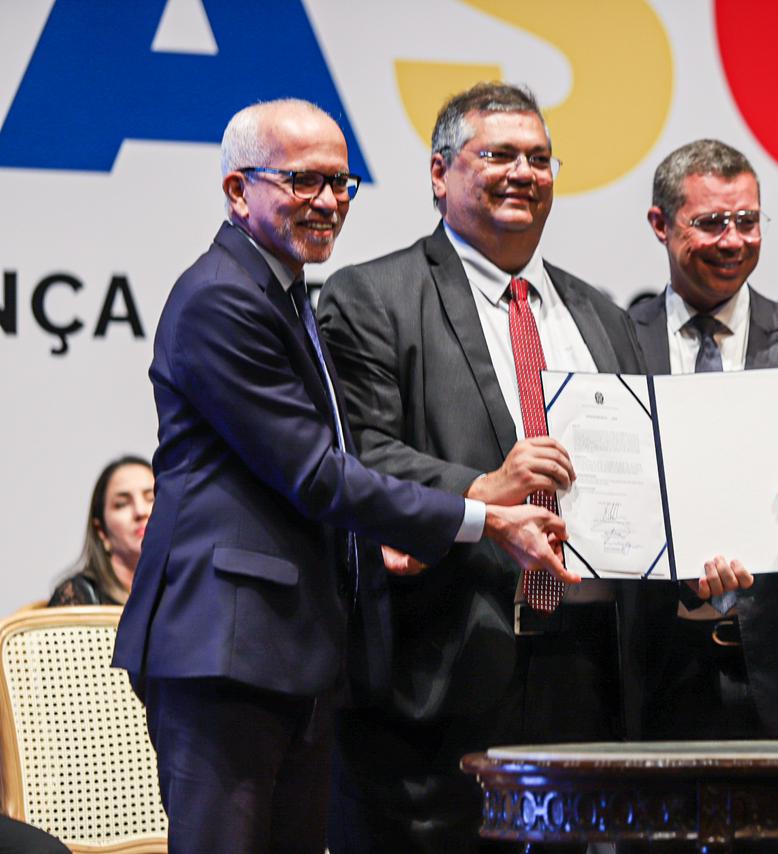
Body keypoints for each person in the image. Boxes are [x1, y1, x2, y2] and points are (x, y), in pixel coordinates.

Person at [111, 98, 572, 854]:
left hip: (288, 648)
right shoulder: (223, 296)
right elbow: (316, 475)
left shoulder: (283, 291)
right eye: (302, 181)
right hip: (227, 647)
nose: (327, 201)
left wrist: (377, 541)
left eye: (340, 182)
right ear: (237, 191)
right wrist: (484, 517)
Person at [317, 82, 646, 851]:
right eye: (498, 154)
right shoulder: (372, 296)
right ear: (439, 173)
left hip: (587, 665)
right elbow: (360, 452)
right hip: (441, 669)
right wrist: (478, 491)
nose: (523, 172)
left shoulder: (603, 315)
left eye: (539, 158)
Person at [627, 138, 778, 742]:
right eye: (710, 222)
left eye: (747, 220)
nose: (733, 240)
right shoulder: (615, 343)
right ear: (660, 224)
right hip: (655, 670)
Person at [49, 455, 153, 606]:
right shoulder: (79, 596)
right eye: (122, 504)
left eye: (151, 498)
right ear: (101, 531)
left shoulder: (184, 592)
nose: (140, 511)